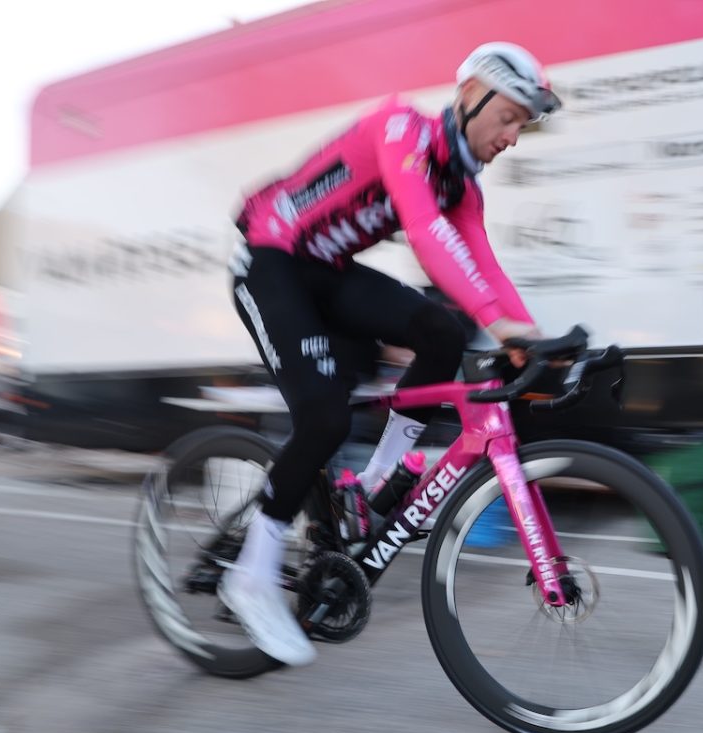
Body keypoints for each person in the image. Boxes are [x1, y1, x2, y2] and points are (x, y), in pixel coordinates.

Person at [221, 42, 562, 666]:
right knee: (324, 418)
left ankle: (378, 481)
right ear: (470, 95)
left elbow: (485, 268)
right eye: (510, 116)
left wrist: (533, 338)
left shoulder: (461, 186)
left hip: (326, 273)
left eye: (523, 124)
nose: (513, 136)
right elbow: (427, 236)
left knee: (442, 333)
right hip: (271, 261)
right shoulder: (400, 128)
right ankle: (250, 576)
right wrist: (502, 325)